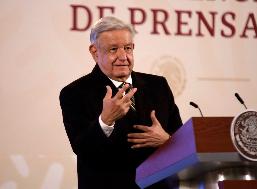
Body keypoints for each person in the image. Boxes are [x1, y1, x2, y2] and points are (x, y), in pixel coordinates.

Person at [59, 16, 183, 189]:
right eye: (113, 49)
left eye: (127, 48)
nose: (123, 56)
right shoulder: (75, 93)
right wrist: (105, 121)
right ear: (95, 52)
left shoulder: (158, 86)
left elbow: (182, 140)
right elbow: (82, 149)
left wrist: (167, 140)